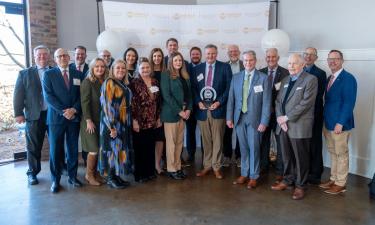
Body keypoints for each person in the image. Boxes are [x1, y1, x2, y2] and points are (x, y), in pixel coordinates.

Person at [271, 53, 318, 200]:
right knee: (286, 156)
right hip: (283, 126)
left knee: (300, 158)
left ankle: (301, 186)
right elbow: (278, 101)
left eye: (294, 63)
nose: (291, 66)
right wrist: (281, 119)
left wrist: (287, 117)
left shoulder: (310, 80)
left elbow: (306, 103)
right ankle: (288, 180)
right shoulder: (285, 80)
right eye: (289, 63)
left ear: (302, 65)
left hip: (299, 126)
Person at [227, 50, 271, 189]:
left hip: (256, 120)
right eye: (245, 60)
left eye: (250, 60)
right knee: (244, 149)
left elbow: (267, 103)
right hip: (239, 118)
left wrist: (264, 121)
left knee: (255, 149)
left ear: (255, 61)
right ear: (242, 61)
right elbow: (231, 100)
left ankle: (253, 176)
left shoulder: (264, 78)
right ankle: (244, 173)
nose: (248, 63)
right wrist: (229, 117)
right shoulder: (236, 77)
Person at [42, 48, 83, 193]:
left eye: (65, 55)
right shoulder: (48, 74)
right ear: (55, 59)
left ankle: (72, 176)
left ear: (69, 57)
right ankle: (55, 180)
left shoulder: (78, 74)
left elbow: (81, 96)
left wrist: (74, 109)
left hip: (74, 118)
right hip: (56, 119)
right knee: (55, 150)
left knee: (72, 149)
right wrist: (64, 111)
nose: (63, 58)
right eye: (59, 56)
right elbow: (48, 96)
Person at [192, 44, 232, 179]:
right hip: (202, 111)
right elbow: (193, 88)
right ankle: (207, 165)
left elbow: (229, 88)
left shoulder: (225, 67)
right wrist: (198, 102)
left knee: (218, 139)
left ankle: (216, 167)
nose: (210, 56)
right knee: (206, 140)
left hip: (218, 109)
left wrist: (219, 102)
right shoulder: (197, 69)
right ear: (205, 54)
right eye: (208, 54)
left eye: (213, 54)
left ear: (217, 54)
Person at [319, 50, 357, 195]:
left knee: (341, 153)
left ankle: (341, 183)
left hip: (340, 124)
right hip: (328, 122)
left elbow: (349, 102)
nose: (332, 61)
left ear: (342, 60)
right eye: (330, 59)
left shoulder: (348, 78)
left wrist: (340, 122)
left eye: (336, 59)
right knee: (333, 152)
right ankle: (333, 179)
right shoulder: (330, 78)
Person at [13, 45, 51, 185]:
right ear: (34, 57)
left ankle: (58, 168)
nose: (42, 57)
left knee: (56, 144)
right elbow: (18, 94)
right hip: (34, 115)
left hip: (52, 115)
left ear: (49, 56)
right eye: (39, 55)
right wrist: (18, 113)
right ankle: (32, 173)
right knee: (33, 146)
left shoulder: (55, 71)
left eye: (44, 54)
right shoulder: (25, 73)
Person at [99, 59, 132, 189]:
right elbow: (107, 106)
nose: (121, 70)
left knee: (118, 150)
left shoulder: (122, 83)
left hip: (123, 122)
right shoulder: (109, 82)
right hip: (111, 123)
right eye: (118, 68)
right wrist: (111, 126)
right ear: (112, 69)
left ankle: (117, 176)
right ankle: (110, 178)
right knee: (111, 150)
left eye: (123, 68)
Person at [160, 52, 192, 180]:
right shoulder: (166, 74)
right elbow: (167, 96)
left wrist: (188, 109)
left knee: (179, 142)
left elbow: (190, 94)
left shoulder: (185, 75)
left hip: (183, 113)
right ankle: (171, 169)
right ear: (171, 62)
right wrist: (180, 111)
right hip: (171, 113)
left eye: (180, 60)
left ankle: (178, 167)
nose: (178, 62)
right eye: (175, 60)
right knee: (171, 143)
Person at [259, 48, 289, 182]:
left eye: (273, 57)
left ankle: (280, 170)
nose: (270, 59)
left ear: (278, 57)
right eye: (268, 57)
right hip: (264, 115)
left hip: (279, 115)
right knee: (263, 142)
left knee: (281, 143)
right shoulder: (261, 73)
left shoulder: (286, 73)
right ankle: (263, 166)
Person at [130, 58, 162, 182]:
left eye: (147, 67)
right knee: (140, 148)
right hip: (139, 120)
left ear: (151, 68)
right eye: (142, 68)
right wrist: (134, 120)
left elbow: (158, 101)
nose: (145, 70)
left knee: (149, 147)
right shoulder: (134, 83)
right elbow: (132, 103)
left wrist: (158, 117)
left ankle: (149, 172)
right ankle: (140, 174)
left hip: (152, 120)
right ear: (138, 69)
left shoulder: (155, 82)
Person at [80, 58, 108, 186]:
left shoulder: (105, 81)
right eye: (96, 66)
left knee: (99, 148)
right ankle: (89, 175)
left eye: (102, 66)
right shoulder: (87, 82)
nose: (99, 69)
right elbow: (84, 103)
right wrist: (88, 120)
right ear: (92, 68)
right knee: (94, 149)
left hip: (102, 121)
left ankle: (95, 174)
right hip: (90, 121)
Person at [303, 47, 327, 184]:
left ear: (316, 58)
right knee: (303, 144)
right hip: (301, 116)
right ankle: (304, 171)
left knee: (315, 144)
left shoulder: (321, 73)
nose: (308, 57)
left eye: (311, 55)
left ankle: (315, 173)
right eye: (306, 54)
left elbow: (318, 95)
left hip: (315, 114)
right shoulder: (299, 70)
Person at [223, 44, 243, 167]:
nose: (233, 53)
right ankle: (227, 156)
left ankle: (240, 156)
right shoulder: (223, 66)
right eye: (231, 51)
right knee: (227, 131)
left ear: (239, 52)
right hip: (227, 104)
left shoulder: (245, 64)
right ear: (228, 53)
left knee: (240, 131)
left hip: (242, 104)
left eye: (235, 51)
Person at [149, 47, 166, 174]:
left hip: (163, 109)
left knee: (161, 139)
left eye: (159, 56)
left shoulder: (166, 72)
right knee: (150, 139)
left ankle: (157, 164)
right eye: (154, 56)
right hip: (149, 111)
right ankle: (149, 164)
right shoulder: (147, 72)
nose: (157, 58)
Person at [185, 46, 203, 162]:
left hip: (202, 105)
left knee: (204, 132)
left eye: (197, 54)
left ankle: (206, 155)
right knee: (190, 131)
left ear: (200, 55)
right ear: (190, 56)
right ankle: (191, 155)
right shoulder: (185, 67)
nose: (195, 56)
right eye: (193, 54)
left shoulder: (205, 67)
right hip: (190, 106)